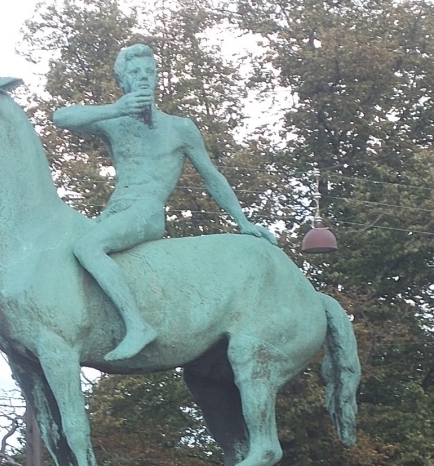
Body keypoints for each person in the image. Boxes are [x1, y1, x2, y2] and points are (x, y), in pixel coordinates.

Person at [52, 43, 278, 362]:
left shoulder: (180, 127)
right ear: (124, 81)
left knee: (87, 248)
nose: (143, 77)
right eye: (135, 72)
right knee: (69, 257)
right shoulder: (114, 120)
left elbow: (212, 177)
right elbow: (60, 117)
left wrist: (242, 221)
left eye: (149, 72)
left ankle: (138, 325)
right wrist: (116, 108)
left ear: (157, 78)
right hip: (115, 212)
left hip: (146, 211)